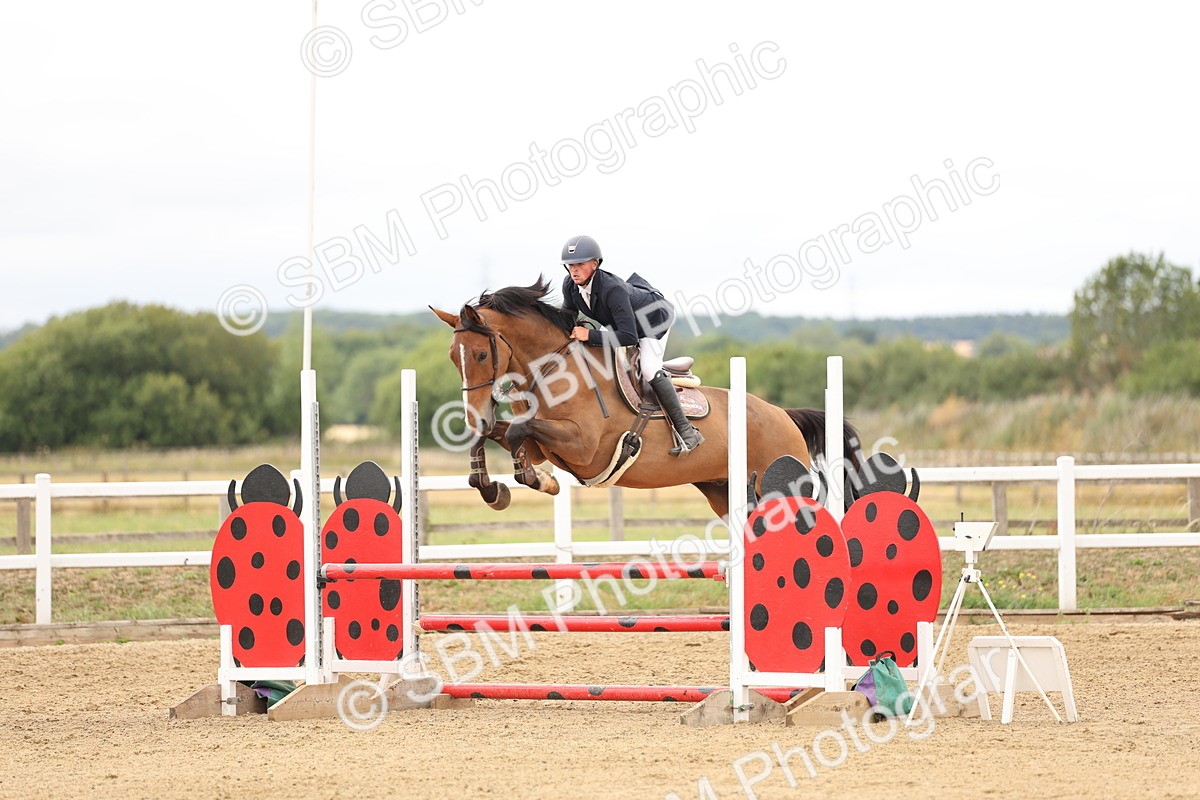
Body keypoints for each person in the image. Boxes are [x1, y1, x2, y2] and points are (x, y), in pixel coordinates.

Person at [559, 234, 704, 456]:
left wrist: (590, 335)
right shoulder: (570, 285)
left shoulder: (612, 289)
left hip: (654, 319)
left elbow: (628, 336)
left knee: (648, 368)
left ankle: (687, 431)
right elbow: (567, 317)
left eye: (580, 264)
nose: (574, 270)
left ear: (594, 265)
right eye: (570, 265)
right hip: (623, 322)